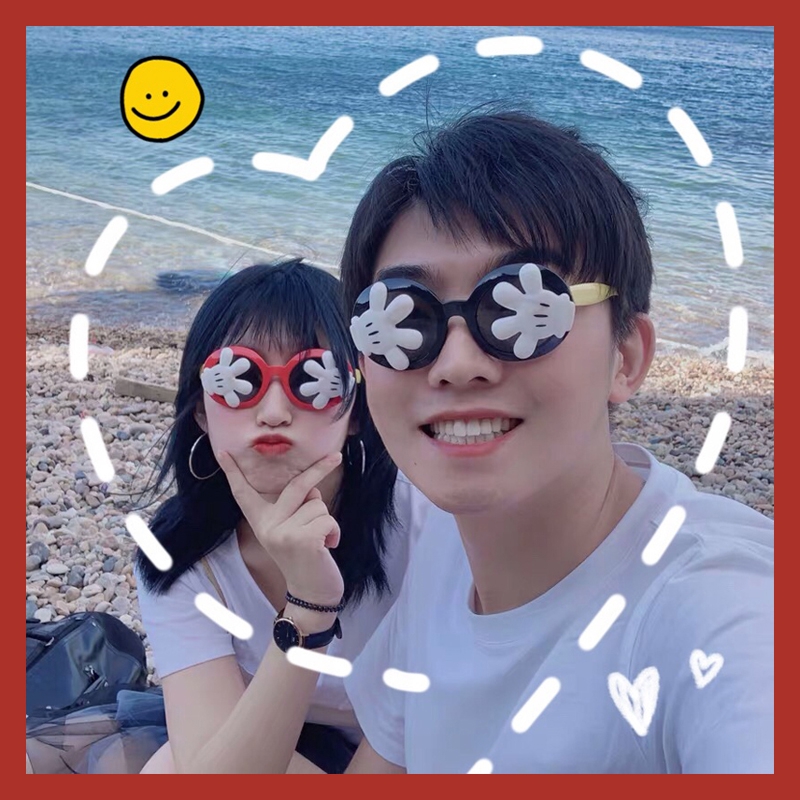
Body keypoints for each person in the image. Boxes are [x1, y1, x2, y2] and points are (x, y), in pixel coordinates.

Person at [332, 108, 774, 773]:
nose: (457, 364)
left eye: (522, 306)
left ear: (626, 356)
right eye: (403, 317)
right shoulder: (451, 542)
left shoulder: (717, 609)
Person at [126, 259, 431, 773]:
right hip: (293, 739)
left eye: (312, 380)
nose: (272, 411)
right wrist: (309, 605)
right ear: (201, 410)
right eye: (239, 378)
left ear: (356, 410)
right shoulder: (180, 558)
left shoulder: (422, 515)